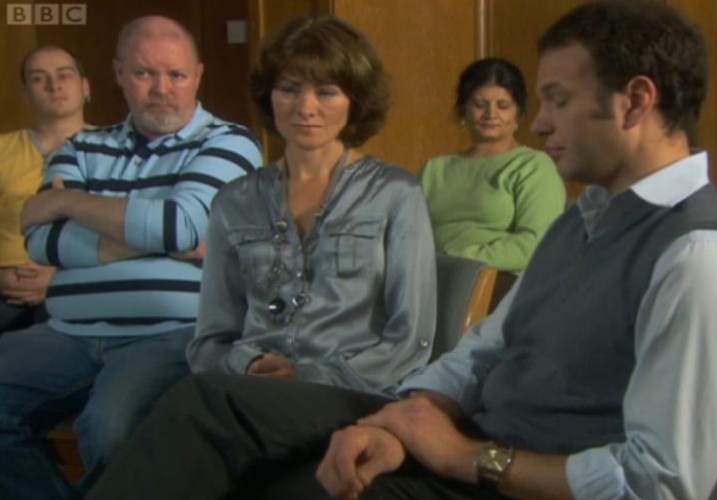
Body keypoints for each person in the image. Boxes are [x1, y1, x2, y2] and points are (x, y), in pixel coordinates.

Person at [87, 2, 717, 499]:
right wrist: (401, 423)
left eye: (558, 100)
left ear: (635, 101)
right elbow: (480, 353)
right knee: (216, 412)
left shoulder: (701, 257)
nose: (536, 122)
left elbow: (658, 482)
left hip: (504, 474)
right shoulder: (582, 220)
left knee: (273, 472)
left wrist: (469, 458)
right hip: (466, 443)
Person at [0, 16, 262, 500]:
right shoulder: (82, 145)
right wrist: (163, 231)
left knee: (109, 428)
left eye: (176, 75)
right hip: (66, 333)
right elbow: (43, 242)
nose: (162, 89)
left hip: (171, 332)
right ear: (119, 74)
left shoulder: (228, 142)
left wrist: (67, 203)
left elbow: (179, 225)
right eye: (144, 74)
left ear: (197, 76)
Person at [187, 15, 436, 391]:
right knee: (174, 412)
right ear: (269, 97)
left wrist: (310, 377)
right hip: (250, 391)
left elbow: (409, 341)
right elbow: (208, 344)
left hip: (350, 394)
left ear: (355, 101)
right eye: (289, 88)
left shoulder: (395, 193)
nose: (305, 107)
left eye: (326, 92)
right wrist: (248, 364)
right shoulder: (233, 201)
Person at [420, 58, 565, 273]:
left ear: (518, 112)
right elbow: (409, 236)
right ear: (463, 110)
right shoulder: (434, 169)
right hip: (429, 281)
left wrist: (456, 261)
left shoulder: (532, 166)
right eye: (480, 105)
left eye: (503, 106)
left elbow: (535, 243)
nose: (491, 114)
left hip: (500, 285)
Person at [0, 46, 91, 334]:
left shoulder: (114, 152)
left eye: (64, 75)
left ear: (85, 87)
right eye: (39, 78)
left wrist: (60, 276)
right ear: (26, 95)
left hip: (81, 284)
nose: (54, 85)